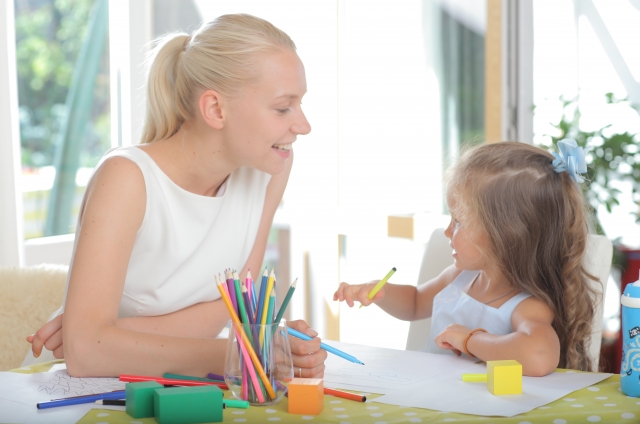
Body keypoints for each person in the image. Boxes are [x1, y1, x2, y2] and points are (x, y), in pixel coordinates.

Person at [26, 13, 326, 379]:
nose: (303, 125)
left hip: (175, 381)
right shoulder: (126, 179)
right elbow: (86, 355)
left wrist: (117, 336)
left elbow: (231, 306)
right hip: (79, 393)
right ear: (216, 109)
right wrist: (242, 354)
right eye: (283, 107)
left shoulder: (268, 169)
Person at [334, 140, 598, 376]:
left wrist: (470, 340)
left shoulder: (526, 305)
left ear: (506, 235)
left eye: (459, 221)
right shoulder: (460, 278)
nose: (448, 231)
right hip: (432, 400)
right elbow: (415, 303)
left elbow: (539, 356)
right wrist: (381, 292)